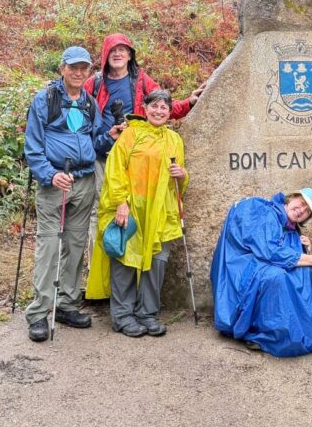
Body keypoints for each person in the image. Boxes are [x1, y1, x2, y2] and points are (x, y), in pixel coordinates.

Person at [83, 33, 205, 265]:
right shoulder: (95, 83)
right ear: (105, 55)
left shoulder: (140, 80)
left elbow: (161, 106)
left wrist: (188, 103)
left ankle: (129, 261)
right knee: (100, 210)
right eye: (113, 50)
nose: (117, 54)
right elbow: (78, 108)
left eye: (122, 50)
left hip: (134, 159)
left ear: (130, 55)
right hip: (102, 154)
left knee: (132, 208)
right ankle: (99, 266)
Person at [84, 89, 188, 337]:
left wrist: (183, 175)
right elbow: (115, 170)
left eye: (164, 107)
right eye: (154, 106)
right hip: (131, 207)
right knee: (125, 259)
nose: (159, 111)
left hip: (160, 210)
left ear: (169, 112)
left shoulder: (174, 139)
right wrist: (120, 202)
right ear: (145, 108)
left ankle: (147, 313)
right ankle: (122, 316)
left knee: (157, 262)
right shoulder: (130, 135)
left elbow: (178, 181)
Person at [23, 46, 102, 342]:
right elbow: (33, 146)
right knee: (49, 247)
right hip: (55, 184)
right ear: (62, 69)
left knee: (75, 244)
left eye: (84, 68)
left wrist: (110, 136)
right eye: (73, 67)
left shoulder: (89, 102)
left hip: (84, 180)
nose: (79, 73)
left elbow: (95, 139)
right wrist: (50, 175)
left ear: (89, 71)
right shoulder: (45, 100)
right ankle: (39, 312)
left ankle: (66, 304)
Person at [210, 188, 312, 357]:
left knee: (306, 271)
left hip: (261, 264)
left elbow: (288, 257)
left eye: (307, 211)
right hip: (241, 266)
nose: (301, 210)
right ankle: (264, 332)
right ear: (292, 198)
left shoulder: (291, 229)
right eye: (302, 203)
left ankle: (293, 327)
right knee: (276, 276)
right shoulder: (265, 211)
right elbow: (269, 250)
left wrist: (306, 251)